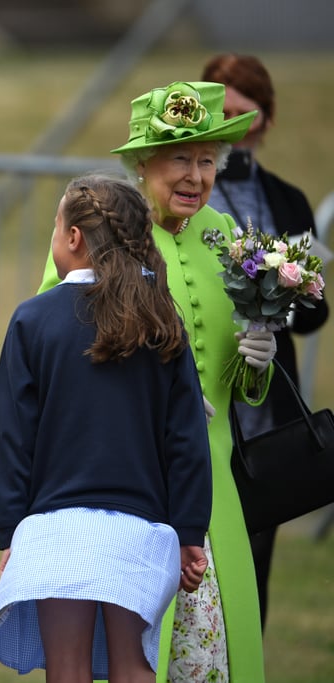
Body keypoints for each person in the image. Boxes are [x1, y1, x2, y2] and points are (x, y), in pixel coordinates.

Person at [37, 81, 270, 682]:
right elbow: (54, 351)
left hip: (206, 482)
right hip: (125, 479)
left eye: (206, 160)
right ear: (142, 164)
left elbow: (233, 379)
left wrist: (256, 363)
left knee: (205, 655)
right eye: (179, 159)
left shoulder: (226, 235)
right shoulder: (103, 233)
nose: (195, 176)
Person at [0, 174, 212, 682]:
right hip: (141, 530)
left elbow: (10, 437)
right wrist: (189, 529)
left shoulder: (31, 320)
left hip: (54, 530)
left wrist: (9, 528)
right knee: (134, 668)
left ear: (73, 238)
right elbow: (186, 437)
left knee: (67, 671)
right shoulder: (160, 321)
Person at [201, 53, 330, 630]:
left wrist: (275, 301)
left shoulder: (287, 200)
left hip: (269, 405)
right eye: (219, 113)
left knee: (255, 562)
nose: (232, 127)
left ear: (268, 120)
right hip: (207, 392)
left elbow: (315, 311)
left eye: (243, 116)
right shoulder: (190, 192)